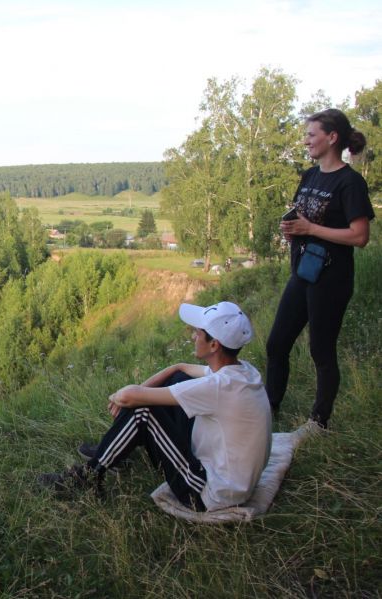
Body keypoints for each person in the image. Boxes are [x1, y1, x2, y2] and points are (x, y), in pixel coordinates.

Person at [39, 302, 271, 512]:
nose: (193, 336)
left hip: (209, 492)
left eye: (197, 333)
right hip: (232, 481)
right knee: (177, 379)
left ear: (214, 345)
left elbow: (129, 397)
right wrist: (168, 371)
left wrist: (117, 396)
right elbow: (181, 368)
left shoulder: (217, 388)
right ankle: (115, 451)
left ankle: (87, 477)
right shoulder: (242, 372)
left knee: (143, 411)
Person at [266, 109, 375, 429]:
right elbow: (302, 217)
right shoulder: (310, 176)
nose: (306, 141)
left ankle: (318, 422)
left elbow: (360, 236)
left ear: (332, 137)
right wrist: (292, 230)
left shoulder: (350, 182)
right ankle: (269, 410)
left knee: (321, 350)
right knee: (276, 344)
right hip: (302, 272)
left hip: (332, 279)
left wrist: (310, 229)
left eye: (312, 135)